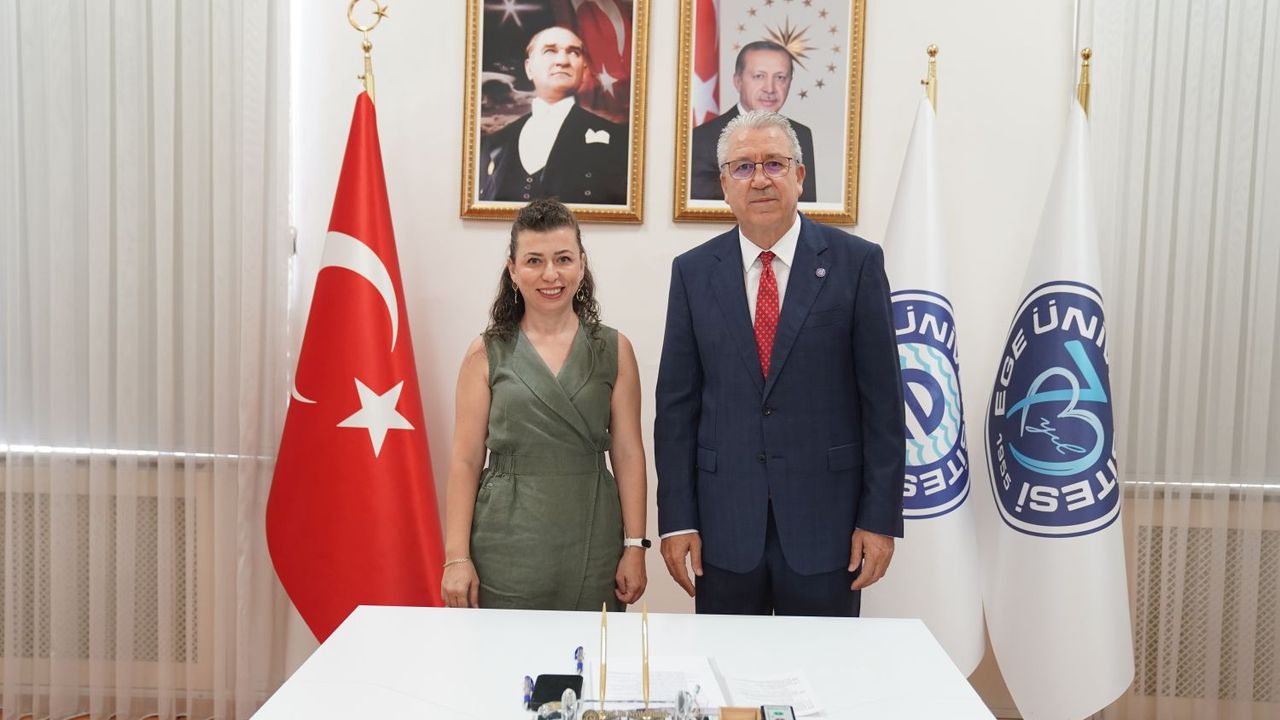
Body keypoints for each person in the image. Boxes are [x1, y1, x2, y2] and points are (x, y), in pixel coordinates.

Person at [655, 110, 903, 617]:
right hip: (723, 529)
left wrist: (879, 519)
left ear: (800, 175)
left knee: (822, 666)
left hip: (828, 527)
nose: (760, 179)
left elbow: (883, 405)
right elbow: (676, 409)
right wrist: (678, 520)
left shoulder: (856, 264)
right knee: (726, 666)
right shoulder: (693, 273)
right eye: (744, 167)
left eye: (774, 163)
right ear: (725, 184)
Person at [440, 199, 647, 611]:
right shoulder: (485, 352)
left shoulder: (615, 348)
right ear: (513, 270)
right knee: (504, 649)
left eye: (563, 259)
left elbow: (628, 453)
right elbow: (465, 460)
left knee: (590, 649)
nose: (550, 274)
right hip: (504, 542)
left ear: (582, 265)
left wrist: (635, 545)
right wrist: (456, 557)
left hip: (594, 537)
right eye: (534, 261)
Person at [479, 26, 628, 205]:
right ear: (529, 68)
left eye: (573, 52)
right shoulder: (495, 143)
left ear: (584, 69)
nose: (563, 61)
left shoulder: (620, 140)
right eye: (550, 51)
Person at [689, 41, 817, 203]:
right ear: (738, 81)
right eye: (759, 76)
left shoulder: (801, 134)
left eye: (780, 77)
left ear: (790, 82)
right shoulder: (702, 138)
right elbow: (705, 208)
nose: (770, 88)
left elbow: (805, 204)